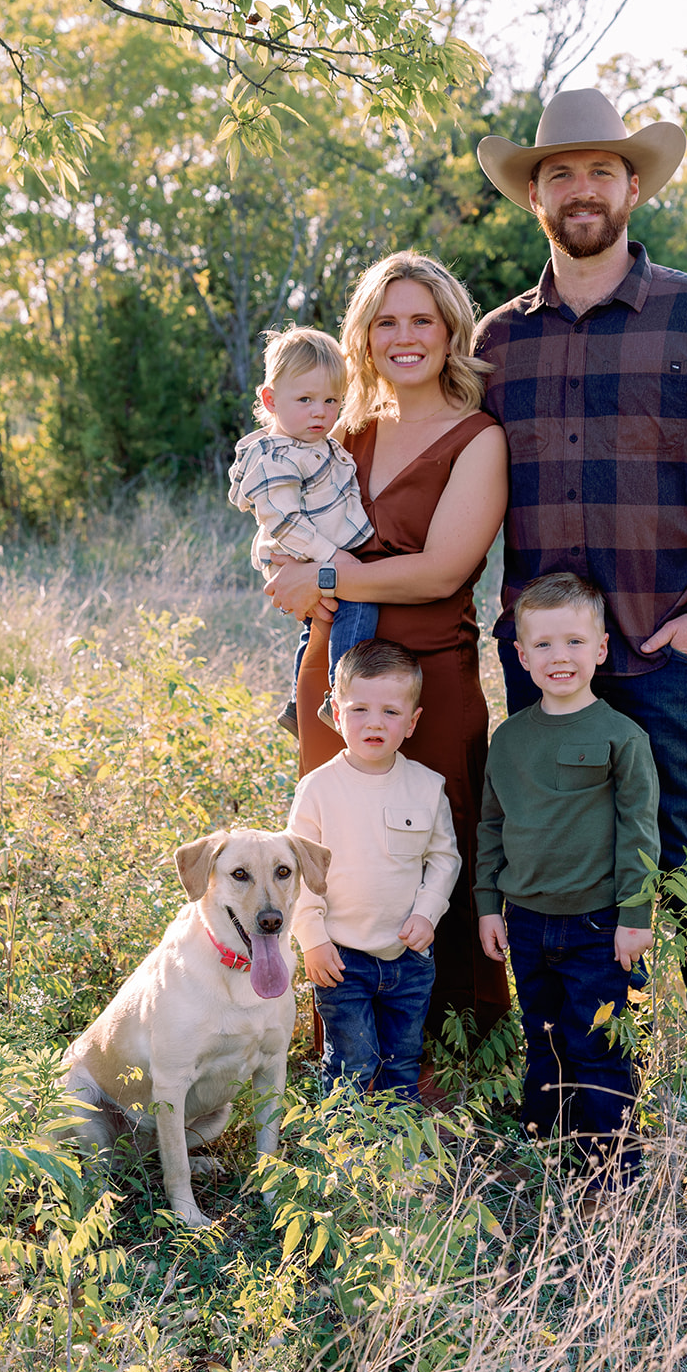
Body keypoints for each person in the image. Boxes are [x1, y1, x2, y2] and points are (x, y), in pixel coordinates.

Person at [473, 88, 687, 1149]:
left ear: (632, 186)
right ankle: (584, 1115)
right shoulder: (496, 345)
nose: (581, 189)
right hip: (546, 676)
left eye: (601, 171)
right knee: (558, 894)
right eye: (560, 173)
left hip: (669, 662)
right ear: (535, 195)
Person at [264, 251, 511, 1037]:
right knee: (332, 847)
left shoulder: (478, 438)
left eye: (422, 320)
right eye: (386, 322)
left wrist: (327, 577)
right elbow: (278, 526)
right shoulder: (340, 430)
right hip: (335, 670)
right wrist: (293, 572)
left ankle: (442, 1036)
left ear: (450, 332)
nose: (405, 337)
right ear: (363, 337)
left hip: (430, 681)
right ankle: (343, 1035)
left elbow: (441, 572)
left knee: (433, 844)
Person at [477, 574, 660, 1193]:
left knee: (596, 1043)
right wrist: (487, 906)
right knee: (543, 1034)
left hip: (597, 925)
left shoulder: (621, 737)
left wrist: (635, 915)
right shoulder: (509, 740)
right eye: (545, 646)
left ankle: (614, 1173)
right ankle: (545, 1147)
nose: (561, 658)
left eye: (575, 642)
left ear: (601, 649)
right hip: (525, 921)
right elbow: (492, 825)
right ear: (521, 656)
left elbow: (639, 831)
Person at [287, 639, 460, 1101]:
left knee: (403, 1058)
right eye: (359, 709)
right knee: (351, 1063)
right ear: (337, 714)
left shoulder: (426, 786)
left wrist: (427, 913)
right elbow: (298, 870)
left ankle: (399, 1150)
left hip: (408, 956)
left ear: (412, 721)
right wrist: (313, 940)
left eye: (389, 711)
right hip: (342, 957)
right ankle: (342, 1154)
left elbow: (444, 858)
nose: (374, 723)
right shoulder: (318, 789)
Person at [228, 327, 377, 738]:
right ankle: (337, 696)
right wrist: (334, 557)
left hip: (320, 553)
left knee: (316, 627)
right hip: (308, 555)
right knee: (358, 607)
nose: (320, 412)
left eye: (331, 401)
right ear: (271, 401)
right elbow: (284, 521)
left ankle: (299, 702)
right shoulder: (275, 457)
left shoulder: (314, 444)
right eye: (306, 400)